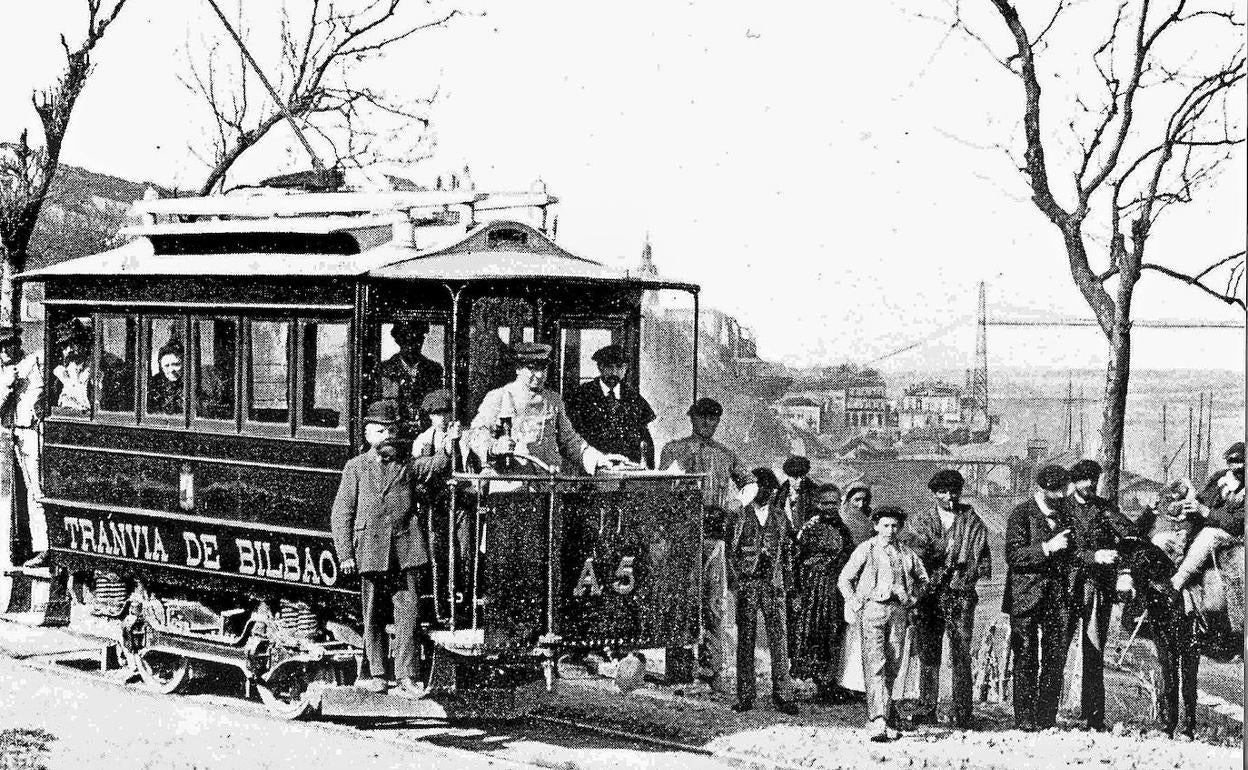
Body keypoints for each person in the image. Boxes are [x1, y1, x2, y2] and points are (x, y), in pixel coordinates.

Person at [330, 399, 455, 697]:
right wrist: (345, 554)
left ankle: (406, 676)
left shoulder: (407, 466)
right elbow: (341, 513)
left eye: (390, 430)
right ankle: (376, 674)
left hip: (406, 549)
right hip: (371, 549)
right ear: (367, 436)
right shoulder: (355, 468)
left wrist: (449, 444)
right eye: (378, 431)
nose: (385, 436)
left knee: (408, 615)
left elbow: (436, 464)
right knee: (372, 615)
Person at [658, 396, 753, 696]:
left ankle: (712, 672)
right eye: (702, 418)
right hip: (681, 535)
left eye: (713, 419)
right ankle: (678, 673)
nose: (707, 424)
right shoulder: (673, 449)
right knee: (680, 601)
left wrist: (738, 500)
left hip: (714, 535)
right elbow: (663, 486)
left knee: (714, 604)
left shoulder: (727, 455)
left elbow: (751, 484)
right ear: (691, 418)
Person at [906, 469, 991, 729]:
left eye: (954, 491)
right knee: (929, 653)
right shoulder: (921, 520)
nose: (949, 497)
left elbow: (983, 560)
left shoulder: (973, 522)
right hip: (929, 596)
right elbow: (915, 555)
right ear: (934, 494)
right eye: (943, 492)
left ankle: (963, 713)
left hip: (960, 595)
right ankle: (927, 708)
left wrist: (965, 572)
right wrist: (942, 553)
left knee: (961, 655)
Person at [839, 505, 928, 743]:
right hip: (873, 611)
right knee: (875, 663)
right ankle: (877, 718)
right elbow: (844, 579)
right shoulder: (865, 549)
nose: (890, 530)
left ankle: (888, 714)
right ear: (876, 526)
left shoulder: (906, 553)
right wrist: (856, 602)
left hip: (898, 613)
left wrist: (912, 599)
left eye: (895, 526)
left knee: (895, 663)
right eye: (885, 525)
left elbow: (923, 580)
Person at [469, 342, 623, 475]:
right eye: (531, 368)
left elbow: (570, 440)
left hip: (547, 483)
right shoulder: (499, 396)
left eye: (543, 368)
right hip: (510, 483)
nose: (539, 375)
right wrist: (494, 447)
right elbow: (476, 433)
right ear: (518, 369)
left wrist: (598, 458)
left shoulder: (553, 400)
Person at [1003, 464, 1079, 731]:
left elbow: (1075, 554)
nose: (1060, 496)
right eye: (1055, 492)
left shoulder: (1066, 515)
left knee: (1054, 658)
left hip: (1056, 599)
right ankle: (1024, 720)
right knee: (1025, 657)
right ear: (1041, 489)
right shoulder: (1021, 514)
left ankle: (1046, 719)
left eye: (1063, 491)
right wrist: (1047, 547)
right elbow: (1014, 556)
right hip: (1025, 598)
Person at [727, 467, 800, 715]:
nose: (767, 492)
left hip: (774, 586)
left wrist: (790, 586)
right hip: (748, 585)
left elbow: (789, 554)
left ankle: (783, 695)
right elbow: (731, 553)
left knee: (779, 641)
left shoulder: (780, 517)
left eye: (771, 488)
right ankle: (745, 695)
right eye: (762, 488)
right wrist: (737, 582)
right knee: (745, 641)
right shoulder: (739, 516)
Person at [1063, 459, 1128, 732]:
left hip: (1098, 590)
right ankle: (1045, 716)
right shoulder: (1062, 510)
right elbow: (1061, 553)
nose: (1090, 483)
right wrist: (1093, 556)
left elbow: (1128, 534)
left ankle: (1094, 718)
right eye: (1084, 478)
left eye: (1093, 478)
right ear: (1074, 481)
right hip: (1067, 589)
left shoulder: (1105, 508)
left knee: (1094, 653)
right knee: (1058, 651)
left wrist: (1150, 513)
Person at [790, 483, 856, 701]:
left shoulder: (844, 529)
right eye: (825, 503)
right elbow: (797, 561)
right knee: (815, 633)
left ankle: (831, 682)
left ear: (839, 504)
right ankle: (820, 684)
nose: (830, 507)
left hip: (836, 590)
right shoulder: (809, 528)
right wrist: (799, 590)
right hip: (814, 590)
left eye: (834, 503)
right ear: (819, 504)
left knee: (835, 633)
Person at [564, 343, 656, 466]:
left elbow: (645, 440)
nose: (614, 372)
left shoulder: (634, 398)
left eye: (619, 367)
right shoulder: (581, 396)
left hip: (627, 468)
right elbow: (570, 438)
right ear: (600, 367)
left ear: (625, 368)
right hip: (592, 469)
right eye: (609, 367)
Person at [0, 326, 47, 568]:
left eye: (9, 345)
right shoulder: (5, 374)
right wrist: (7, 383)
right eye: (1, 346)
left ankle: (44, 547)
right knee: (30, 491)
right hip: (17, 434)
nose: (5, 351)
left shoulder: (35, 362)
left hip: (33, 433)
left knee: (37, 492)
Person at [1171, 442, 1246, 591]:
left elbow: (1237, 523)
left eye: (1240, 463)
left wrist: (1207, 512)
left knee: (1209, 534)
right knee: (1164, 540)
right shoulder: (1220, 479)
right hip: (1205, 529)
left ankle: (1176, 582)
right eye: (1231, 463)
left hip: (1232, 535)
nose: (1235, 468)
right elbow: (1198, 504)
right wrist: (1185, 530)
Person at [778, 454, 817, 663]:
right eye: (794, 477)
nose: (799, 481)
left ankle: (804, 656)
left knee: (807, 606)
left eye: (802, 476)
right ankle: (791, 655)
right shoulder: (779, 494)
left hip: (806, 557)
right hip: (787, 557)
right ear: (788, 476)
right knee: (788, 604)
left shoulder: (814, 494)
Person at [378, 319, 445, 420]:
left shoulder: (434, 369)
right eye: (406, 340)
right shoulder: (384, 369)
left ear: (422, 340)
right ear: (398, 341)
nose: (411, 346)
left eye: (416, 340)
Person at [50, 319, 92, 412]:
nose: (74, 348)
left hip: (84, 407)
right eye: (73, 344)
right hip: (67, 406)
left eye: (80, 344)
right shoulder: (66, 365)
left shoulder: (90, 366)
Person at [147, 340, 185, 414]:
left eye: (176, 364)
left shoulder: (189, 385)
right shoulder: (153, 386)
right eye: (166, 366)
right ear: (161, 367)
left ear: (183, 364)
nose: (171, 370)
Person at [841, 482, 876, 547]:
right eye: (857, 500)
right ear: (848, 500)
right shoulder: (841, 519)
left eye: (864, 500)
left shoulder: (872, 519)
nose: (861, 505)